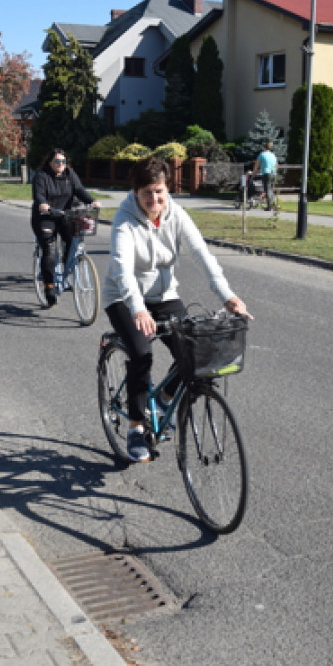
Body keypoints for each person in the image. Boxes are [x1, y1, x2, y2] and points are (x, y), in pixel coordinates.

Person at [103, 156, 253, 463]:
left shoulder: (176, 215)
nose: (154, 199)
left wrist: (227, 295)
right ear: (135, 192)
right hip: (123, 297)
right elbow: (122, 269)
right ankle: (134, 426)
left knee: (195, 351)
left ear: (167, 189)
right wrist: (138, 310)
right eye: (146, 192)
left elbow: (202, 255)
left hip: (164, 295)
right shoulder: (124, 219)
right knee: (142, 353)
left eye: (159, 191)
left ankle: (162, 399)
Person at [31, 148, 100, 307]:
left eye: (63, 161)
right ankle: (49, 287)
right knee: (49, 248)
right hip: (45, 217)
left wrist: (92, 201)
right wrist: (42, 204)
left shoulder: (70, 174)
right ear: (50, 162)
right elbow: (39, 194)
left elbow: (79, 190)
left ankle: (66, 271)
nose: (61, 164)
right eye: (57, 161)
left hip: (65, 215)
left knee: (73, 241)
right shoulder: (42, 176)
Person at [256, 140, 278, 209]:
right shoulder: (273, 155)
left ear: (264, 147)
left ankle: (269, 206)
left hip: (266, 173)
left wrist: (254, 172)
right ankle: (273, 204)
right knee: (271, 189)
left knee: (267, 190)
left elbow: (257, 164)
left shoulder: (262, 154)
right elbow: (276, 165)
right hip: (273, 174)